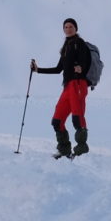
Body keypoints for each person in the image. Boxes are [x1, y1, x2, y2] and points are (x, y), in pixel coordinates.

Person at [30, 17, 92, 158]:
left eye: (71, 26)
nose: (68, 29)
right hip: (67, 87)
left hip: (78, 85)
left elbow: (85, 61)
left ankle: (81, 151)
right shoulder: (66, 47)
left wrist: (80, 68)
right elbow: (59, 69)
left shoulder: (80, 43)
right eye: (66, 27)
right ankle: (64, 150)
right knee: (57, 120)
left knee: (77, 118)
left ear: (76, 28)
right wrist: (38, 70)